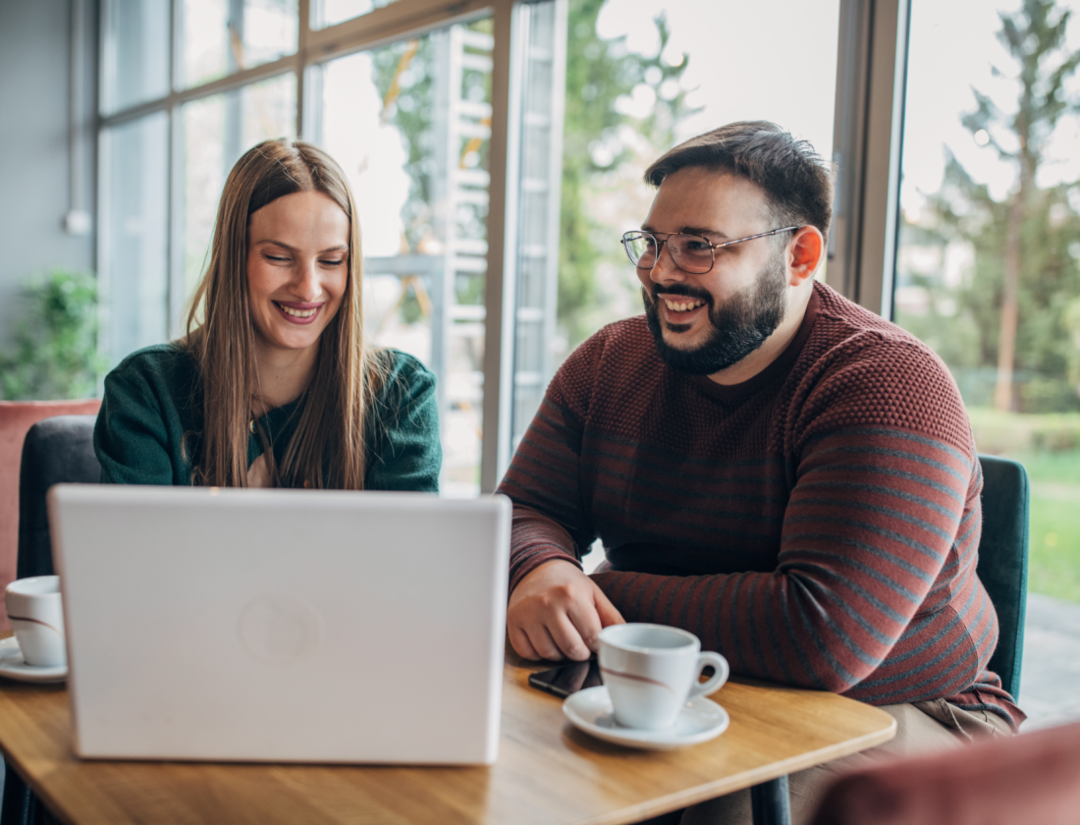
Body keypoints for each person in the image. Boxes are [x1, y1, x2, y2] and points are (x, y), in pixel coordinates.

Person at [497, 121, 1023, 823]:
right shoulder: (608, 364)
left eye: (699, 246)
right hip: (678, 682)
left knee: (721, 805)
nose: (660, 272)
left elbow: (820, 633)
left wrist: (595, 594)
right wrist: (539, 567)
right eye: (652, 243)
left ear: (800, 255)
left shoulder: (889, 382)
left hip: (910, 714)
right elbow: (520, 511)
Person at [95, 139, 440, 492]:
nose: (308, 288)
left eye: (331, 261)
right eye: (278, 257)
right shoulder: (147, 391)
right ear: (234, 259)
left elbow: (410, 546)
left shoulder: (400, 395)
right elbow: (136, 547)